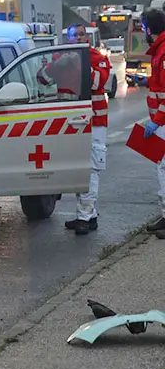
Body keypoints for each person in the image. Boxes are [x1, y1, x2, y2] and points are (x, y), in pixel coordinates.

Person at [39, 23, 110, 235]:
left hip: (93, 121)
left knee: (90, 169)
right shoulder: (60, 58)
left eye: (82, 35)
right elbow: (42, 79)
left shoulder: (97, 57)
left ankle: (85, 217)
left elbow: (98, 81)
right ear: (67, 38)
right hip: (70, 123)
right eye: (75, 35)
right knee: (78, 169)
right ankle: (90, 215)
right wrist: (58, 65)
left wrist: (80, 63)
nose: (79, 38)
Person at [140, 8, 165, 235]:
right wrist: (146, 80)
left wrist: (157, 120)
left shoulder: (164, 52)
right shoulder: (159, 52)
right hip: (161, 122)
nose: (142, 31)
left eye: (142, 26)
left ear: (149, 28)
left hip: (164, 122)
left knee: (164, 168)